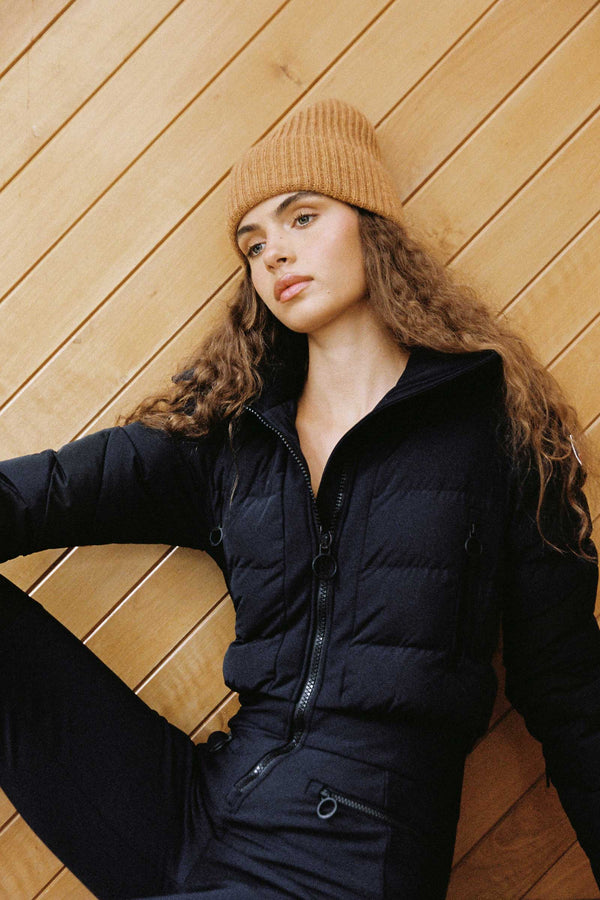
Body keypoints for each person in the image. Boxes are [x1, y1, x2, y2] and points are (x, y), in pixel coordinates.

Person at [0, 98, 598, 900]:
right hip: (200, 812)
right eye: (254, 243)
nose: (274, 252)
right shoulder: (232, 437)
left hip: (349, 860)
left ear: (370, 225)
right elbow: (43, 493)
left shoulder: (496, 428)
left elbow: (571, 693)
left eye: (301, 217)